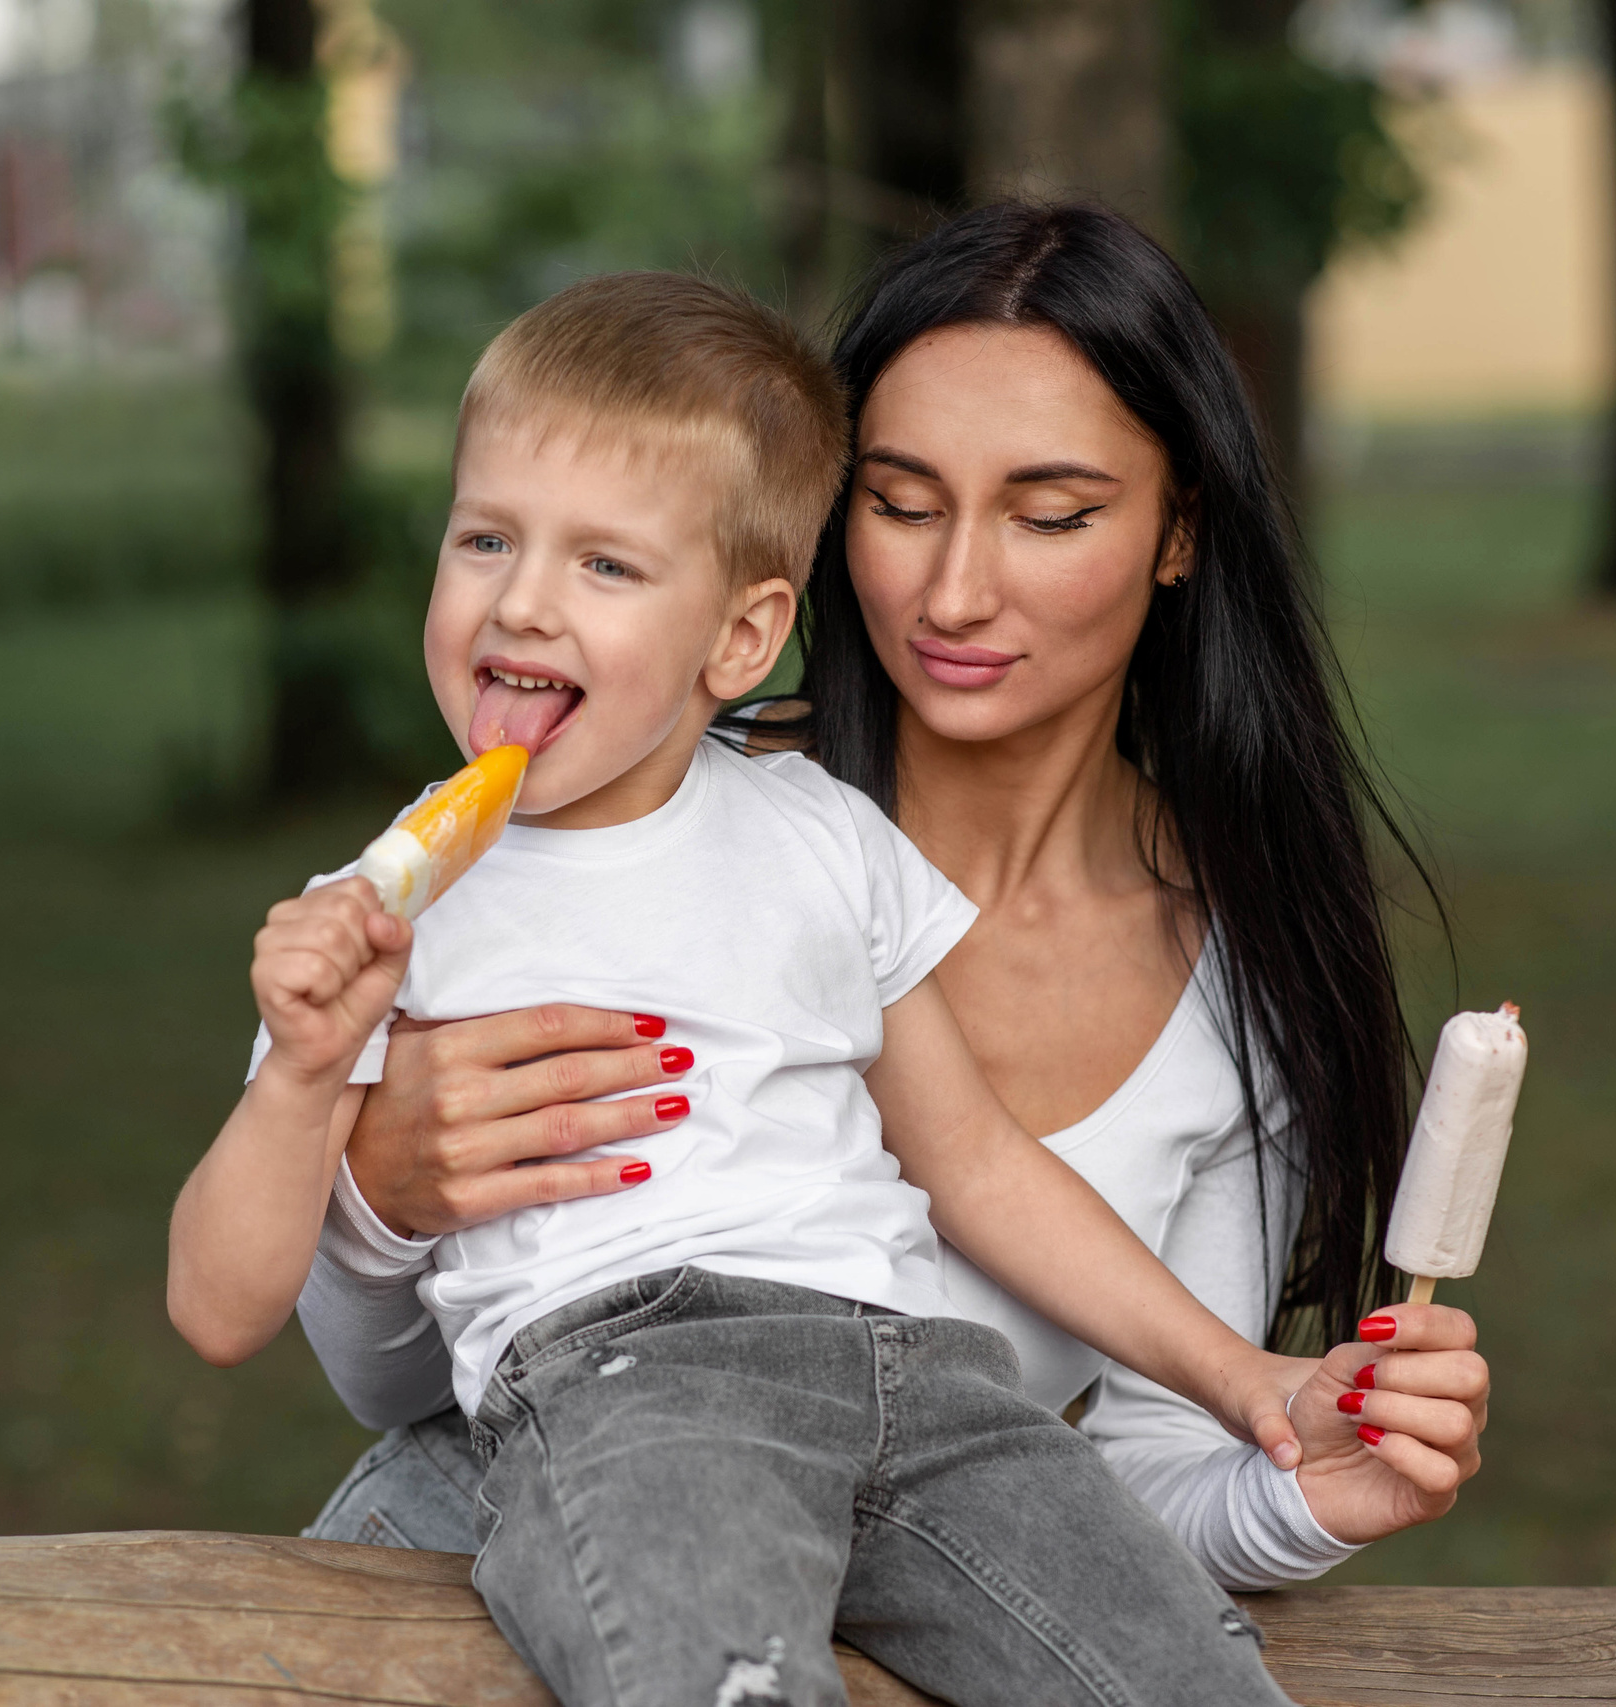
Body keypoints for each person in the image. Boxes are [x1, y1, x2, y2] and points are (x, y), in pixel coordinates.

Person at [300, 203, 1492, 1590]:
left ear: (1181, 533)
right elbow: (394, 1392)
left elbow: (1115, 1492)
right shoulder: (619, 809)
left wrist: (1310, 1496)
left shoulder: (1240, 986)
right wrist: (373, 1195)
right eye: (900, 505)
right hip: (495, 1574)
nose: (955, 590)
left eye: (1052, 514)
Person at [170, 269, 1304, 1707]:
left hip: (923, 1386)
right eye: (485, 540)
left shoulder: (821, 834)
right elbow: (216, 1307)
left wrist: (1240, 1380)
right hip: (634, 1385)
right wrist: (303, 1076)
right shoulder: (391, 918)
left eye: (606, 566)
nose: (523, 603)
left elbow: (976, 1165)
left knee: (1183, 1674)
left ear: (742, 639)